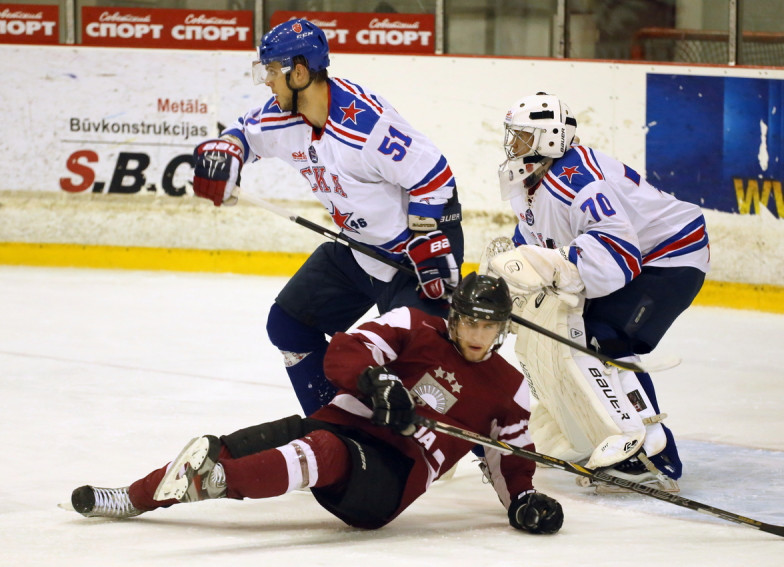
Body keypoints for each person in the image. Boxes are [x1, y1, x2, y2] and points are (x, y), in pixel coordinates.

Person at [68, 273, 563, 535]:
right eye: (470, 322)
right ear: (454, 317)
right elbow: (349, 348)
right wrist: (377, 382)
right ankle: (133, 497)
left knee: (325, 449)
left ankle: (217, 484)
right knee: (229, 444)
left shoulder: (507, 388)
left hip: (388, 481)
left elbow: (511, 460)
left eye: (489, 326)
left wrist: (523, 501)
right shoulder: (415, 325)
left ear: (502, 329)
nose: (477, 335)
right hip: (344, 427)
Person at [191, 18, 463, 416]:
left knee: (424, 369)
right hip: (361, 248)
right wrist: (227, 151)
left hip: (416, 251)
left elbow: (434, 176)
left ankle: (476, 444)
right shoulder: (283, 116)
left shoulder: (365, 125)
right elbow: (244, 133)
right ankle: (330, 426)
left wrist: (425, 237)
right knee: (288, 324)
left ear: (299, 72)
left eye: (271, 71)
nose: (266, 81)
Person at [485, 92, 709, 492]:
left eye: (521, 136)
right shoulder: (536, 178)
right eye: (512, 135)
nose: (512, 145)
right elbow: (536, 239)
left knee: (603, 337)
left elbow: (618, 253)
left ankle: (654, 451)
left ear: (550, 139)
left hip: (673, 257)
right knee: (558, 334)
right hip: (645, 258)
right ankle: (585, 432)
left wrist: (555, 266)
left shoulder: (578, 182)